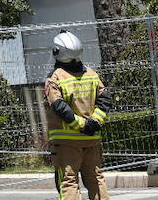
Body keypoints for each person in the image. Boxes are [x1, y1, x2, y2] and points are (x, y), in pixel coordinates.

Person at [43, 31, 114, 200]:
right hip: (91, 139)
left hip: (66, 142)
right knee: (96, 179)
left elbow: (59, 107)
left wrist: (81, 124)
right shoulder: (91, 74)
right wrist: (95, 122)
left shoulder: (55, 78)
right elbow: (105, 100)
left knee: (68, 181)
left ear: (57, 51)